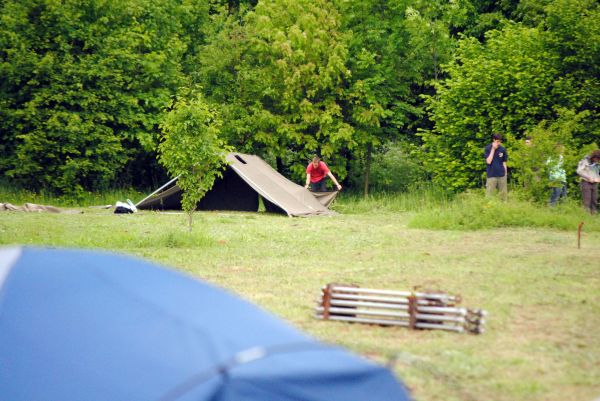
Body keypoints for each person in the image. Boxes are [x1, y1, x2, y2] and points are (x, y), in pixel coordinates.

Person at [484, 133, 508, 200]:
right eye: (497, 141)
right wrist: (493, 149)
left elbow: (504, 162)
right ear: (493, 140)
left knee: (503, 197)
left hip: (502, 175)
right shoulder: (487, 148)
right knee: (489, 196)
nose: (499, 143)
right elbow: (488, 161)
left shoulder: (503, 149)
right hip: (491, 175)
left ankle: (504, 208)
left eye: (500, 141)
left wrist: (505, 174)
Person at [576, 149, 600, 214]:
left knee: (594, 200)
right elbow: (579, 171)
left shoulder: (597, 163)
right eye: (597, 159)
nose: (597, 160)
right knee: (587, 200)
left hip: (595, 183)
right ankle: (586, 215)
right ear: (594, 157)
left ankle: (593, 215)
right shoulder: (585, 161)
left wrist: (598, 178)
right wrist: (588, 177)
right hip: (586, 182)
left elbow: (597, 173)